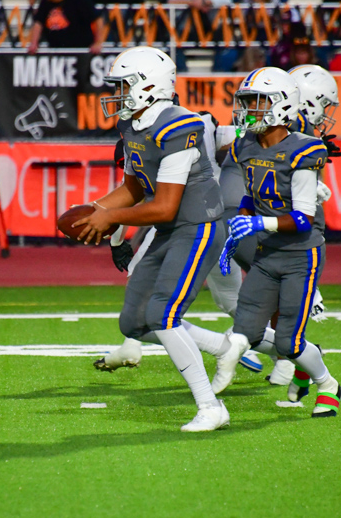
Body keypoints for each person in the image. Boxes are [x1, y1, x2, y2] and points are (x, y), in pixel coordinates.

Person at [77, 46, 232, 431]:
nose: (116, 94)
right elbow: (132, 189)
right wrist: (93, 210)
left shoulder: (177, 125)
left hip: (198, 227)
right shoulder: (133, 125)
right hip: (172, 229)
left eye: (123, 85)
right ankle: (222, 347)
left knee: (162, 314)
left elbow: (163, 206)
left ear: (148, 86)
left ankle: (210, 406)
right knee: (134, 322)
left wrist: (110, 217)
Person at [213, 67, 341, 417]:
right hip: (267, 251)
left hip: (300, 254)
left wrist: (256, 222)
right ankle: (236, 365)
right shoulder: (246, 145)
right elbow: (251, 195)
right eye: (247, 102)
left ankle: (327, 383)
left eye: (257, 102)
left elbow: (302, 220)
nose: (248, 110)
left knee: (289, 342)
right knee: (249, 330)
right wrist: (240, 225)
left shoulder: (304, 149)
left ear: (282, 104)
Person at [169, 0, 236, 72]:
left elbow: (228, 1)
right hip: (188, 30)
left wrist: (207, 2)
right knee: (173, 42)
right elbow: (171, 1)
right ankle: (182, 72)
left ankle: (217, 72)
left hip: (211, 29)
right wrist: (191, 3)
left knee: (227, 42)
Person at [27, 0, 104, 55]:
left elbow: (97, 19)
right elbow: (38, 22)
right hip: (55, 50)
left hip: (80, 50)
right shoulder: (46, 2)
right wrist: (34, 43)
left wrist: (98, 43)